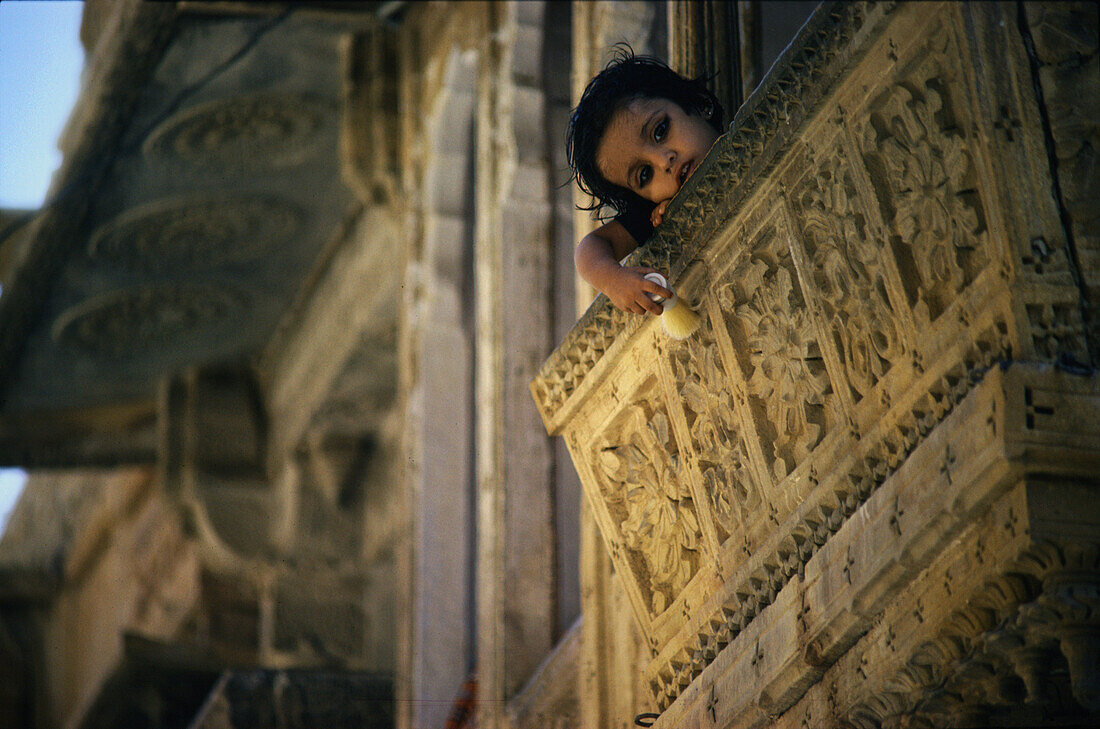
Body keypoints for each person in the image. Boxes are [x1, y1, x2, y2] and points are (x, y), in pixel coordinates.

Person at [567, 47, 724, 316]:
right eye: (644, 175)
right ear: (644, 198)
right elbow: (588, 250)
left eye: (660, 131)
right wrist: (613, 280)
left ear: (693, 103)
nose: (664, 161)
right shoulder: (656, 216)